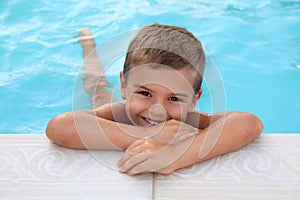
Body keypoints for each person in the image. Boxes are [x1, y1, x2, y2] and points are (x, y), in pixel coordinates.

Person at [46, 24, 263, 175]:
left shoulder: (187, 122)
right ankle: (87, 43)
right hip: (102, 102)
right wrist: (147, 134)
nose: (158, 111)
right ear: (124, 86)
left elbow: (249, 123)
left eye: (174, 98)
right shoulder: (117, 114)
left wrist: (176, 155)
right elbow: (59, 127)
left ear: (194, 99)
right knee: (95, 83)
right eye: (145, 93)